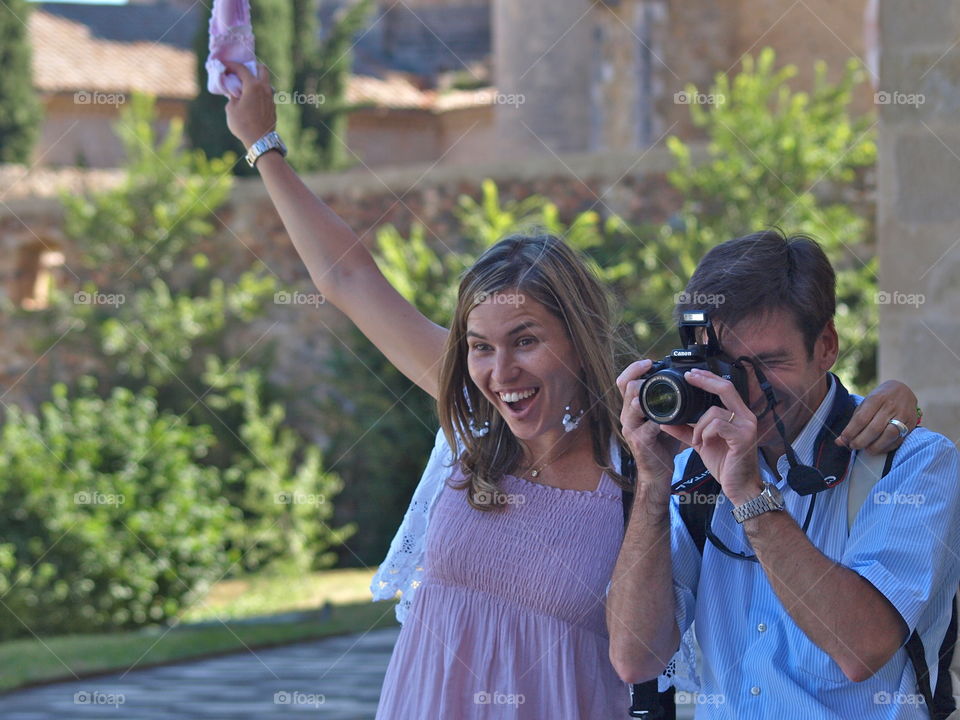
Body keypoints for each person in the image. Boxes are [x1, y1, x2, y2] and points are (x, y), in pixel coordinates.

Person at [222, 63, 920, 717]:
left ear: (578, 334)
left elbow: (766, 401)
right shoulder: (472, 421)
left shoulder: (648, 463)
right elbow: (347, 279)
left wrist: (879, 402)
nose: (502, 372)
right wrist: (264, 145)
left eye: (527, 340)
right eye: (481, 347)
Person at [608, 230, 960, 719]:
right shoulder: (691, 468)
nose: (748, 391)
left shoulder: (913, 461)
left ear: (827, 345)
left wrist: (748, 494)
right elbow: (635, 658)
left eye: (770, 363)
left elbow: (861, 648)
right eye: (729, 366)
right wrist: (651, 478)